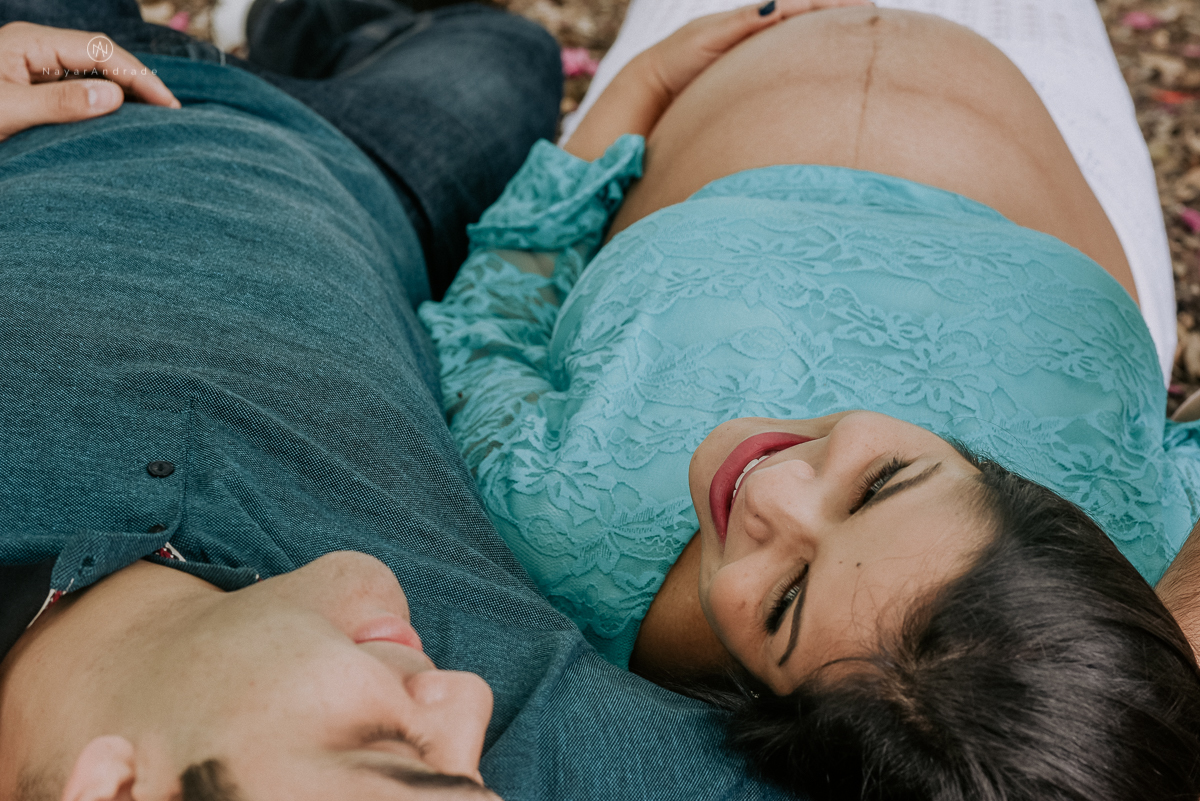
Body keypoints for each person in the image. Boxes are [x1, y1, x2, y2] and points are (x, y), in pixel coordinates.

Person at [0, 4, 798, 801]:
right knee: (504, 52)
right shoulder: (551, 733)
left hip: (58, 83)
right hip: (363, 170)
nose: (470, 701)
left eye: (389, 744)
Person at [417, 1, 1200, 798]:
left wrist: (637, 89)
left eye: (785, 602)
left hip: (711, 52)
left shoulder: (561, 526)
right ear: (1013, 485)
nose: (775, 488)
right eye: (882, 481)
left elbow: (492, 323)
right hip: (1044, 87)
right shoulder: (1139, 579)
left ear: (761, 715)